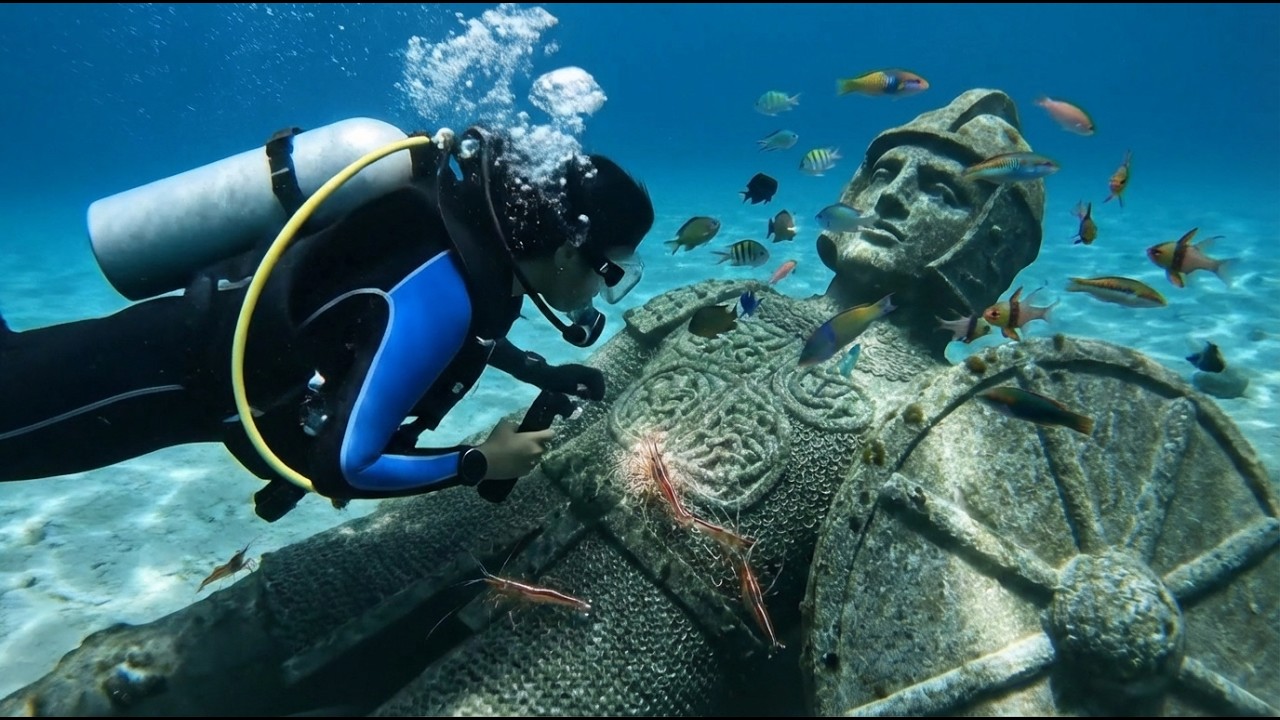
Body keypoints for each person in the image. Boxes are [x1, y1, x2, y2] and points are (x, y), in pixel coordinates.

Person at [0, 124, 655, 522]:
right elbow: (346, 463)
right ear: (569, 250)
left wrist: (538, 370)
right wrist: (479, 461)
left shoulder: (486, 253)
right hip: (163, 374)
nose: (606, 288)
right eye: (611, 270)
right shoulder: (447, 289)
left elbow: (455, 334)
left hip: (199, 358)